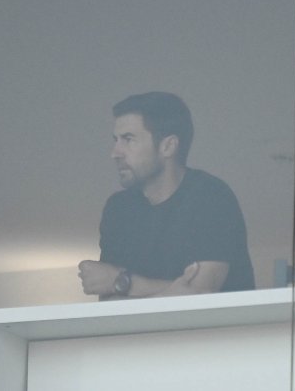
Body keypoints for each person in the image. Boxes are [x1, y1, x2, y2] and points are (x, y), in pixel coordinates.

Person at [78, 92, 255, 299]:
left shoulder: (210, 196)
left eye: (128, 139)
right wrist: (170, 290)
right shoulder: (118, 210)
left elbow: (200, 294)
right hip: (139, 333)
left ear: (168, 146)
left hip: (212, 332)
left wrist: (122, 281)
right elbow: (113, 303)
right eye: (116, 140)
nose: (115, 152)